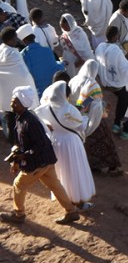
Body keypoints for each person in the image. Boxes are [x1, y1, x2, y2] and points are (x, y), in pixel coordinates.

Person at [0, 86, 80, 225]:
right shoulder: (23, 117)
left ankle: (19, 214)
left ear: (23, 103)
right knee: (55, 185)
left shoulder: (29, 122)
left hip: (37, 163)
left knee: (19, 184)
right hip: (46, 161)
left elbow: (41, 144)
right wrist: (16, 160)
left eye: (15, 102)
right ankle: (71, 211)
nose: (12, 104)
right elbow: (21, 141)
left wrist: (24, 156)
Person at [34, 81, 95, 210]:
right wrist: (84, 116)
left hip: (56, 141)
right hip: (71, 143)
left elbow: (37, 116)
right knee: (75, 170)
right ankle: (78, 200)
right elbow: (81, 126)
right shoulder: (69, 109)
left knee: (61, 170)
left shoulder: (45, 107)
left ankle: (64, 196)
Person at [68, 59, 123, 176]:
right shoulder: (92, 84)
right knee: (104, 141)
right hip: (90, 116)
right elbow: (91, 101)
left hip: (74, 115)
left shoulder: (73, 80)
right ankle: (112, 167)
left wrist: (78, 107)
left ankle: (91, 166)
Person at [94, 25, 128, 139]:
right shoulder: (116, 50)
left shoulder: (100, 47)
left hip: (104, 81)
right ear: (116, 36)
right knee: (126, 99)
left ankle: (117, 124)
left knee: (123, 97)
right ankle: (123, 128)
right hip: (117, 84)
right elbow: (124, 68)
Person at [18, 23, 63, 98]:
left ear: (23, 41)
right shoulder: (47, 50)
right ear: (34, 37)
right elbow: (55, 67)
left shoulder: (23, 55)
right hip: (54, 89)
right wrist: (62, 63)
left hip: (39, 94)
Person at [58, 13, 94, 78]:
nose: (63, 29)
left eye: (65, 27)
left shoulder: (80, 33)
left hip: (81, 62)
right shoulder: (66, 34)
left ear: (70, 24)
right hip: (70, 63)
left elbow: (84, 49)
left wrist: (81, 61)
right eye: (62, 26)